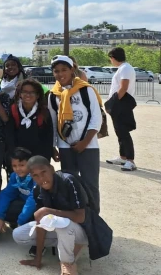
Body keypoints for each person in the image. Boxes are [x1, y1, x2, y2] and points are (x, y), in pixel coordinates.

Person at [13, 156, 112, 274]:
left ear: (52, 169)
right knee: (18, 234)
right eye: (35, 175)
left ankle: (68, 263)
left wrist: (49, 211)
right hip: (62, 229)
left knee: (62, 225)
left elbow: (81, 217)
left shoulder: (68, 181)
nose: (41, 178)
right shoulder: (38, 190)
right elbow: (41, 224)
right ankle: (68, 245)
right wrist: (38, 258)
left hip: (83, 229)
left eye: (43, 172)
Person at [48, 55, 103, 213]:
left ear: (72, 70)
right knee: (70, 182)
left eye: (64, 70)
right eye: (56, 71)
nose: (60, 74)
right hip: (65, 144)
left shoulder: (86, 90)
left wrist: (85, 142)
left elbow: (96, 118)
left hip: (88, 145)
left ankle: (93, 217)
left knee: (90, 183)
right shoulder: (53, 95)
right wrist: (54, 146)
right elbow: (53, 122)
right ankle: (75, 214)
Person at [105, 47, 138, 171]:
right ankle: (123, 157)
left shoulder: (125, 68)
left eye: (110, 59)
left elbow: (123, 87)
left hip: (121, 103)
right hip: (121, 102)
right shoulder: (124, 68)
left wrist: (113, 102)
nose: (111, 61)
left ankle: (130, 160)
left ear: (113, 57)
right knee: (120, 132)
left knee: (123, 132)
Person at [5, 79, 54, 160]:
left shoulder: (44, 111)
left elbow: (48, 137)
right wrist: (12, 155)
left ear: (38, 95)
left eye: (32, 92)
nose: (28, 95)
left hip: (39, 155)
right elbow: (9, 134)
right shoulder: (13, 109)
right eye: (24, 92)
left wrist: (45, 158)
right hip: (18, 156)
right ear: (20, 94)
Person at [0, 148, 36, 239]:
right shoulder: (14, 176)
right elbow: (6, 194)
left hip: (37, 207)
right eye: (14, 166)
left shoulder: (36, 176)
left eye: (22, 165)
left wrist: (21, 221)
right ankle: (16, 223)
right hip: (24, 204)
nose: (18, 169)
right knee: (0, 200)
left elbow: (32, 200)